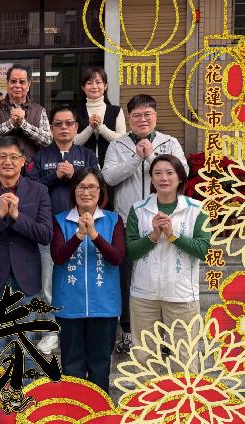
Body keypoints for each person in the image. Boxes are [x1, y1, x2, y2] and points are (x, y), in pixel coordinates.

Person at [102, 94, 188, 354]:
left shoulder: (169, 142)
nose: (142, 119)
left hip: (165, 220)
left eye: (147, 114)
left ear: (155, 116)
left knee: (164, 276)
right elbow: (108, 177)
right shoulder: (117, 145)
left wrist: (151, 158)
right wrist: (135, 159)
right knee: (127, 278)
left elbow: (182, 174)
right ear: (129, 118)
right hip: (126, 222)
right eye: (136, 115)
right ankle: (129, 332)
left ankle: (164, 333)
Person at [0, 136, 53, 383]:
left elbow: (45, 235)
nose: (8, 162)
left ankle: (24, 399)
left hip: (25, 279)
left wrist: (16, 215)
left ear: (23, 161)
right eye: (2, 156)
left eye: (14, 157)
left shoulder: (38, 190)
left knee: (24, 347)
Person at [125, 154, 210, 375]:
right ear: (151, 179)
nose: (164, 178)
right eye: (158, 173)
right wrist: (153, 235)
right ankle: (147, 399)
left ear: (180, 178)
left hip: (182, 296)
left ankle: (183, 399)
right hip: (144, 296)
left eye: (170, 173)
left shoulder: (196, 209)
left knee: (185, 361)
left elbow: (203, 249)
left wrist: (172, 235)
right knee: (144, 361)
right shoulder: (138, 209)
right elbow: (130, 251)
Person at [26, 104, 98, 355]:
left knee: (80, 281)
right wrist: (54, 176)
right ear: (51, 128)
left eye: (69, 123)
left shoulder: (87, 156)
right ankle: (50, 333)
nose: (64, 128)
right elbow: (30, 189)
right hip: (49, 229)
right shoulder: (40, 157)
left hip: (82, 228)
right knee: (47, 285)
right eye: (58, 124)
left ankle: (79, 331)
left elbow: (98, 185)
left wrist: (76, 175)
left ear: (77, 127)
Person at [50, 167, 125, 395]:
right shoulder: (60, 220)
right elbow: (58, 257)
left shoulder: (114, 220)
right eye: (81, 187)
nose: (86, 192)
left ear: (101, 191)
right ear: (73, 190)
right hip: (69, 305)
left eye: (92, 187)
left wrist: (93, 234)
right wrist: (79, 235)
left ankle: (99, 410)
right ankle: (75, 409)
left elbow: (117, 258)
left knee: (100, 365)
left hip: (104, 305)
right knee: (71, 364)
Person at [0, 64, 53, 161]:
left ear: (28, 85)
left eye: (22, 82)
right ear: (7, 83)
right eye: (13, 81)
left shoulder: (39, 110)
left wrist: (23, 124)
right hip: (3, 166)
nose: (17, 86)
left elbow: (47, 140)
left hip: (32, 167)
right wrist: (10, 124)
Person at [74, 67, 127, 168]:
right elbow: (73, 143)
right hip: (83, 165)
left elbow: (122, 141)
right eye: (89, 83)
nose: (94, 86)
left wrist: (101, 127)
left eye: (98, 82)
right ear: (83, 88)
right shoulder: (76, 113)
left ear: (105, 86)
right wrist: (90, 128)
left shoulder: (116, 111)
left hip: (112, 165)